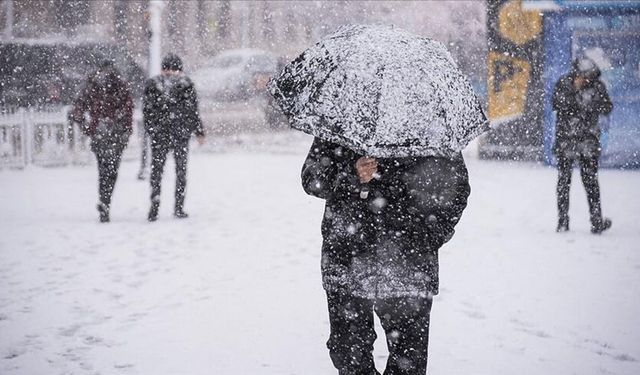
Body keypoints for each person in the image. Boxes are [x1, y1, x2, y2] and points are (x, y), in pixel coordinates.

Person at [302, 138, 470, 375]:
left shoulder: (429, 124)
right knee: (349, 357)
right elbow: (312, 179)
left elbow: (456, 188)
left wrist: (428, 236)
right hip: (348, 260)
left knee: (409, 362)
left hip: (409, 266)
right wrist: (351, 172)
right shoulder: (345, 117)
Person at [552, 57, 613, 234]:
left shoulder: (597, 86)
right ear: (576, 73)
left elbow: (607, 107)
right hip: (566, 140)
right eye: (583, 76)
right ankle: (562, 221)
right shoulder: (564, 84)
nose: (586, 80)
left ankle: (596, 222)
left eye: (589, 77)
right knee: (564, 182)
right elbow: (556, 104)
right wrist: (574, 91)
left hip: (588, 140)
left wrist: (591, 102)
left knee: (591, 182)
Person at [143, 53, 205, 222]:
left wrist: (152, 129)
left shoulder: (153, 84)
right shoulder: (185, 84)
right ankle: (178, 207)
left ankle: (155, 204)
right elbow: (193, 111)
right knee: (180, 171)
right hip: (179, 134)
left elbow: (147, 111)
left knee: (157, 171)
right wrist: (198, 131)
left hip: (161, 134)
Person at [70, 60, 133, 223]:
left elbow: (77, 110)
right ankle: (106, 201)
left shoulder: (91, 86)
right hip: (116, 133)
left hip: (100, 132)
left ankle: (104, 201)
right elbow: (128, 110)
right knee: (112, 170)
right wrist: (126, 130)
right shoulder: (120, 85)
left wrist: (88, 127)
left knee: (103, 170)